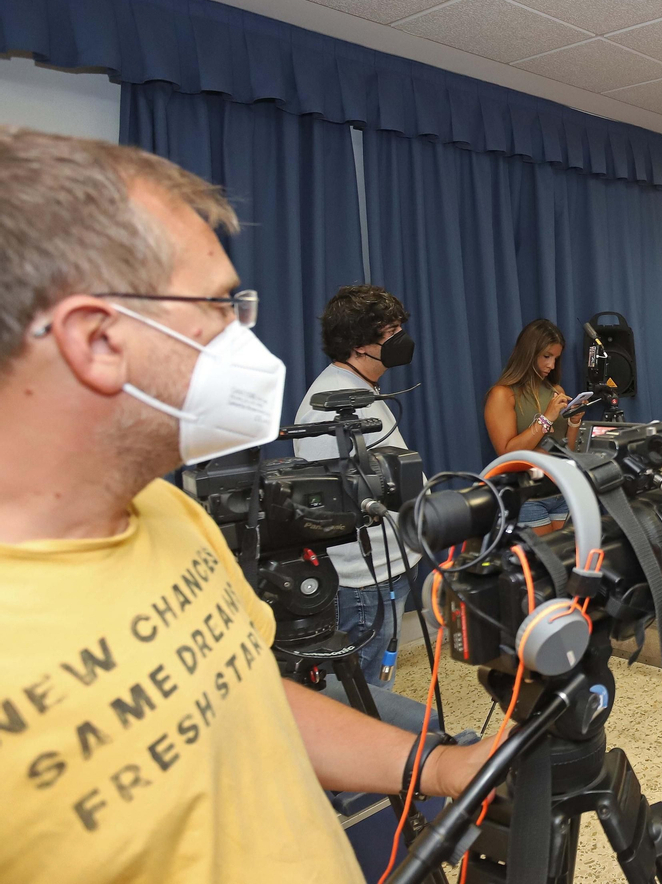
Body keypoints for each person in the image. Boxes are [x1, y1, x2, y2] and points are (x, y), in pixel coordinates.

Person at [0, 127, 494, 882]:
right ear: (95, 340)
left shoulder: (175, 517)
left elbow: (253, 699)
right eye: (218, 306)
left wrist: (435, 769)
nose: (245, 339)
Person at [294, 284, 419, 692]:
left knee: (378, 688)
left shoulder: (359, 390)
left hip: (384, 571)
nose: (401, 340)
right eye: (390, 332)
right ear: (358, 343)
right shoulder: (333, 402)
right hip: (365, 582)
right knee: (364, 698)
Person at [483, 318, 581, 532]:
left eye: (556, 358)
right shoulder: (503, 394)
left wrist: (574, 422)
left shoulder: (557, 390)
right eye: (546, 356)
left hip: (561, 490)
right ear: (529, 352)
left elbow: (569, 453)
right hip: (528, 497)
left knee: (569, 561)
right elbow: (507, 453)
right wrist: (547, 418)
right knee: (544, 564)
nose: (551, 365)